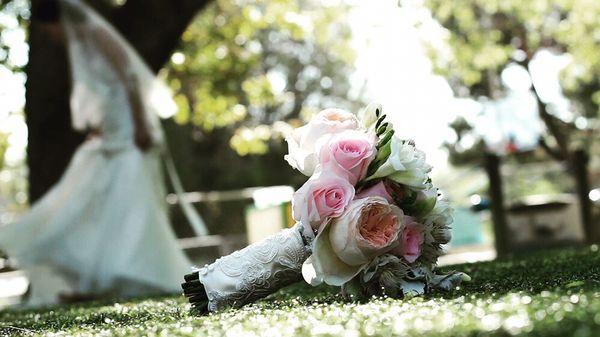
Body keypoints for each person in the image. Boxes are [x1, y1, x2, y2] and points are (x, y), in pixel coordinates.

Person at [0, 0, 206, 307]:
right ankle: (90, 279)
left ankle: (137, 272)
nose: (52, 37)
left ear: (59, 21)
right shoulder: (77, 46)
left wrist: (138, 123)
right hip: (110, 131)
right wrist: (97, 126)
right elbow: (98, 93)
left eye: (50, 30)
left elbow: (128, 77)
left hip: (129, 129)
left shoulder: (97, 34)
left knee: (131, 200)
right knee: (95, 197)